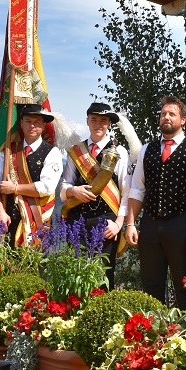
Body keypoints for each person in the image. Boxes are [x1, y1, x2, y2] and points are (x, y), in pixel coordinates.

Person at [124, 96, 186, 309]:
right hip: (151, 224)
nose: (166, 117)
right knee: (150, 283)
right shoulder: (147, 149)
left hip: (182, 224)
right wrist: (130, 223)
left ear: (183, 120)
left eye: (172, 114)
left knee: (185, 283)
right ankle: (153, 333)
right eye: (163, 113)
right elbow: (137, 189)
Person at [61, 102, 131, 289]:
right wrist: (73, 191)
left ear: (109, 124)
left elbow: (126, 193)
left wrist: (118, 223)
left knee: (103, 278)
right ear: (87, 121)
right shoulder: (76, 151)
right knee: (75, 276)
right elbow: (64, 187)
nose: (98, 124)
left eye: (103, 120)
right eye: (94, 119)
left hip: (106, 223)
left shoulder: (120, 152)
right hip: (77, 220)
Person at [0, 104, 63, 245]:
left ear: (43, 125)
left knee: (35, 264)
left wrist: (15, 188)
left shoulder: (52, 153)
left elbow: (46, 187)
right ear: (21, 123)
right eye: (28, 121)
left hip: (38, 219)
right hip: (8, 219)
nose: (32, 126)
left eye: (37, 122)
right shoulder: (8, 150)